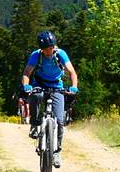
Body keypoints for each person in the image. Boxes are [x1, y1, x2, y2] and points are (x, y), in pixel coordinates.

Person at [20, 31, 78, 161]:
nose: (48, 51)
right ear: (41, 49)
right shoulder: (36, 55)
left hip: (57, 86)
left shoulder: (60, 54)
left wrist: (74, 87)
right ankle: (34, 125)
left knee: (59, 121)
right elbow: (26, 73)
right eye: (45, 49)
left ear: (54, 46)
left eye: (50, 48)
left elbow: (72, 72)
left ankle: (56, 151)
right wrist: (26, 85)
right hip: (40, 84)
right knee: (36, 96)